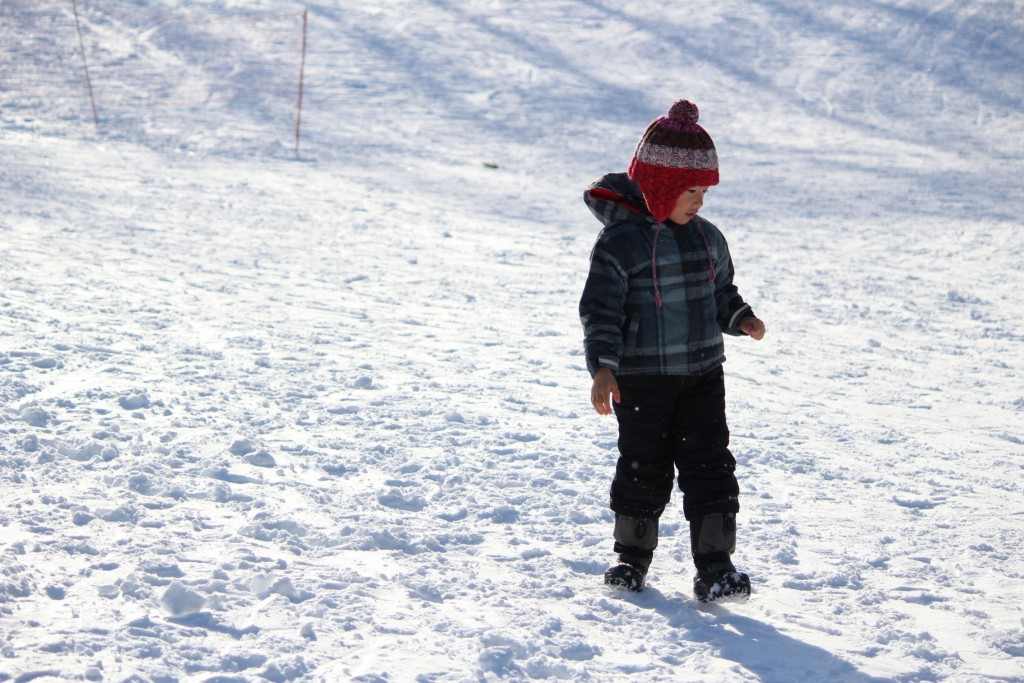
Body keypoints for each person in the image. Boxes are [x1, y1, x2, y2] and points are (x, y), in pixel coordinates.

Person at [579, 99, 766, 601]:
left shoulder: (709, 239)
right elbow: (601, 311)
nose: (700, 201)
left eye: (704, 191)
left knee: (711, 466)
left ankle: (716, 567)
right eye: (691, 190)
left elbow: (720, 290)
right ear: (660, 186)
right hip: (643, 379)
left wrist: (739, 317)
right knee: (644, 465)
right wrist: (603, 368)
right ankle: (631, 559)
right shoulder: (621, 245)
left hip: (703, 375)